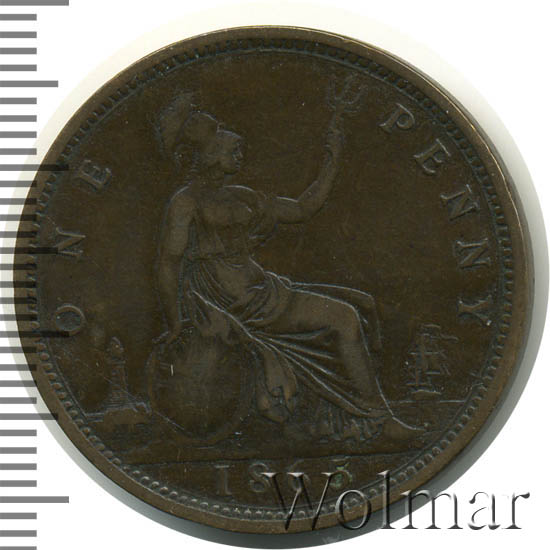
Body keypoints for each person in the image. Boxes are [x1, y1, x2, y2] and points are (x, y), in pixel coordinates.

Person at [155, 92, 420, 443]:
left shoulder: (242, 195)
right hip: (226, 305)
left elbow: (301, 208)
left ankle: (362, 414)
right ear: (207, 153)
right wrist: (176, 323)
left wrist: (332, 159)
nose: (237, 148)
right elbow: (168, 264)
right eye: (223, 140)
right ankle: (377, 418)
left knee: (359, 307)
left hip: (264, 294)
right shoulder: (185, 202)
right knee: (345, 318)